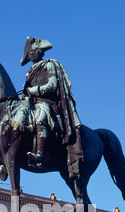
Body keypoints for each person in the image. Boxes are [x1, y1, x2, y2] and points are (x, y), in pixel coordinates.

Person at [20, 36, 83, 172]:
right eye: (30, 52)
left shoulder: (48, 65)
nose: (31, 54)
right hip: (31, 104)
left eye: (34, 50)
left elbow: (52, 85)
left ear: (40, 52)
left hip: (47, 103)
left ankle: (40, 155)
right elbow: (26, 91)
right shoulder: (29, 72)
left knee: (40, 117)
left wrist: (34, 90)